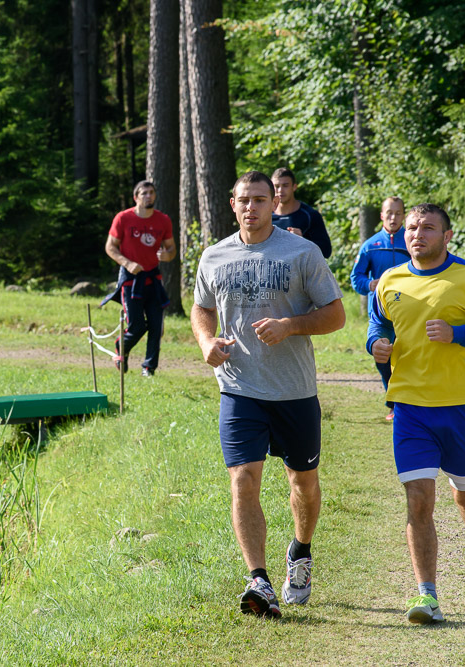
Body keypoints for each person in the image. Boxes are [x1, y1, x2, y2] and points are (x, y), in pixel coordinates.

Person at [191, 170, 345, 617]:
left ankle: (300, 551)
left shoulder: (301, 252)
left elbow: (335, 315)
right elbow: (201, 308)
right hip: (240, 389)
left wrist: (291, 325)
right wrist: (206, 342)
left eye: (261, 200)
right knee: (242, 480)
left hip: (294, 391)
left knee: (304, 483)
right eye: (245, 200)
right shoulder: (215, 256)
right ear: (232, 204)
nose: (252, 207)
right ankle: (258, 579)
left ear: (273, 204)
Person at [367, 203, 465, 625]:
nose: (417, 234)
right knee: (418, 499)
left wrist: (457, 334)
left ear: (447, 236)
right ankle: (427, 597)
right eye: (413, 228)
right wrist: (374, 345)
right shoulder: (390, 281)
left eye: (428, 228)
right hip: (410, 409)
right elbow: (378, 328)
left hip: (462, 407)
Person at [102, 180, 176, 377]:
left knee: (155, 326)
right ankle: (121, 347)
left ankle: (149, 368)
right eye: (144, 193)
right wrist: (127, 263)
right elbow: (110, 247)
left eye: (151, 192)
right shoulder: (123, 218)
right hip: (131, 279)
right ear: (136, 197)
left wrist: (167, 256)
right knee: (136, 325)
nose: (148, 196)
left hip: (153, 277)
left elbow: (171, 249)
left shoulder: (163, 220)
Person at [350, 196, 411, 420]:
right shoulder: (371, 246)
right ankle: (393, 403)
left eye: (398, 213)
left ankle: (409, 404)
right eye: (389, 213)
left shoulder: (412, 241)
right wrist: (370, 285)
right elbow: (356, 278)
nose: (393, 217)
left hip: (410, 311)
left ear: (403, 215)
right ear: (381, 216)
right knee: (383, 357)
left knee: (407, 358)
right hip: (381, 313)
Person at [271, 168, 332, 258]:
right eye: (276, 186)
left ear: (294, 187)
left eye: (285, 185)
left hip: (302, 271)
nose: (280, 190)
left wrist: (302, 241)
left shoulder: (310, 215)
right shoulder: (264, 215)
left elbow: (326, 251)